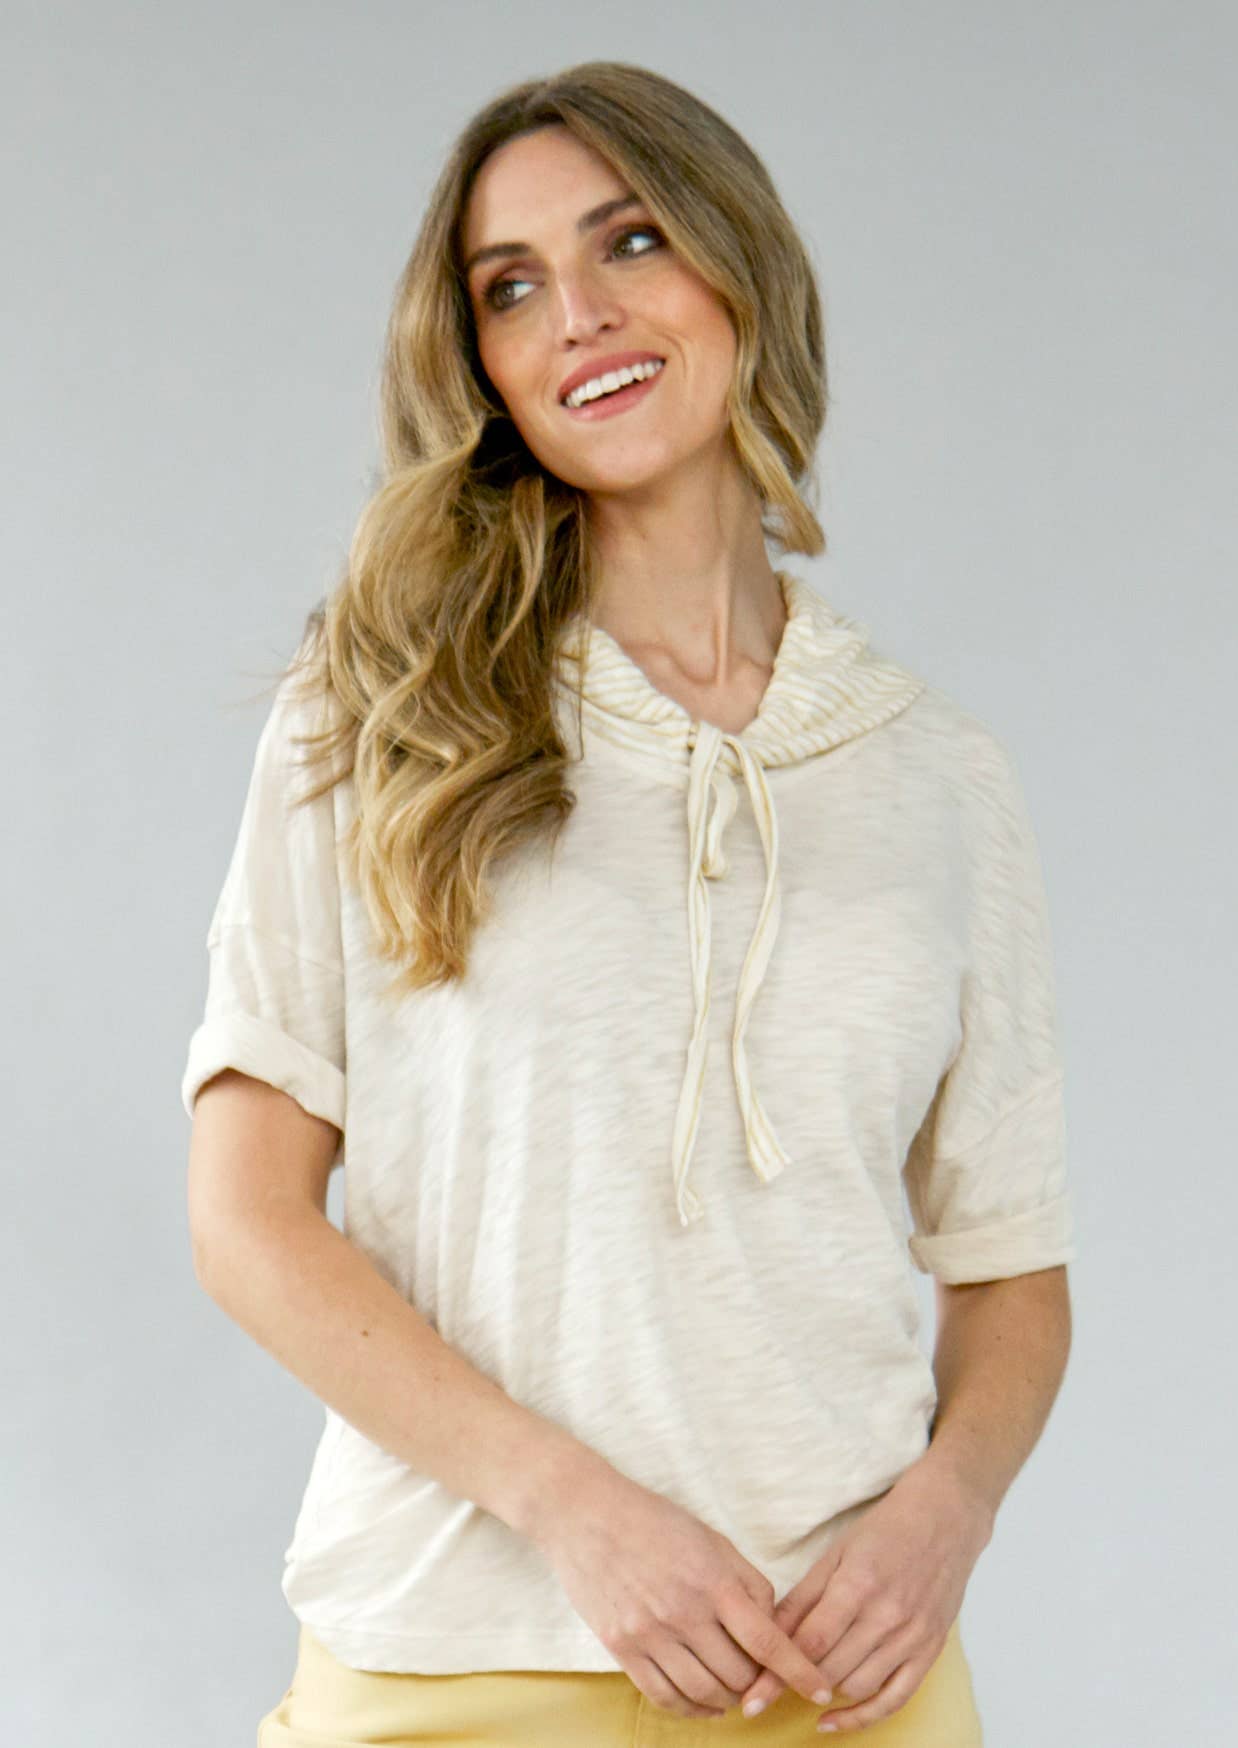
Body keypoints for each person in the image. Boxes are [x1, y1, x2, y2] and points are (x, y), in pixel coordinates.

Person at [183, 60, 1075, 1747]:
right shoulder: (382, 713)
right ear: (483, 368)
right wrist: (573, 1510)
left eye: (632, 241)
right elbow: (247, 1220)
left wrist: (946, 1516)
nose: (579, 315)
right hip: (460, 1667)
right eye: (510, 288)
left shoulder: (943, 776)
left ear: (742, 267)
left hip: (848, 1687)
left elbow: (1011, 1267)